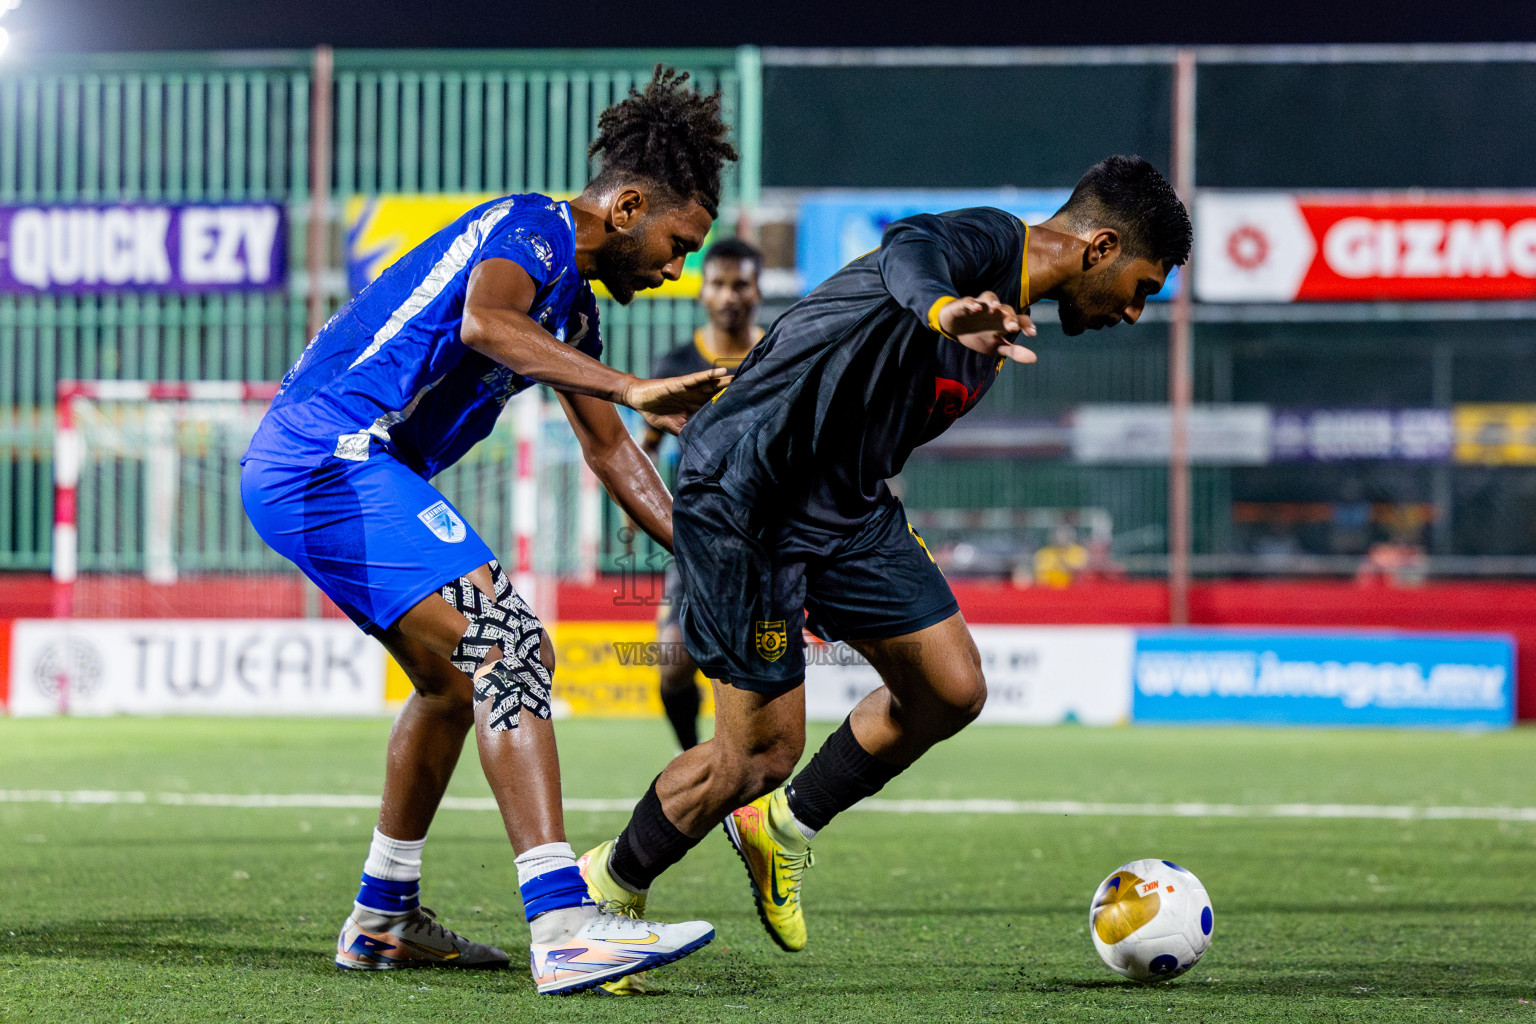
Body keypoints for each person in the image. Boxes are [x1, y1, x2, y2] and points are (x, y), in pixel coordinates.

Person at [579, 155, 1192, 958]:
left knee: (950, 689)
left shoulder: (1007, 317)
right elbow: (910, 248)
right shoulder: (985, 245)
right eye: (1142, 288)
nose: (1136, 312)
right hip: (751, 498)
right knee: (758, 754)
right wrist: (944, 310)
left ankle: (782, 828)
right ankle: (607, 887)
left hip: (847, 508)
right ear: (1101, 247)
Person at [239, 67, 736, 996]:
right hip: (324, 456)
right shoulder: (531, 228)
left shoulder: (574, 311)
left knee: (451, 682)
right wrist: (631, 385)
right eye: (678, 245)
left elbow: (612, 453)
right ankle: (564, 926)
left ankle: (383, 918)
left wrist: (716, 557)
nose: (678, 270)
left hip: (336, 469)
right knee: (510, 644)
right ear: (628, 207)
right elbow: (485, 322)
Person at [639, 237, 765, 751]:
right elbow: (644, 448)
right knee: (672, 661)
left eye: (741, 284)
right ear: (702, 292)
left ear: (758, 291)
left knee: (751, 669)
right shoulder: (675, 363)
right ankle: (691, 756)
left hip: (769, 535)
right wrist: (643, 510)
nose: (729, 295)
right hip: (699, 533)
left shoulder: (779, 354)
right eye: (719, 283)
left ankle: (744, 766)